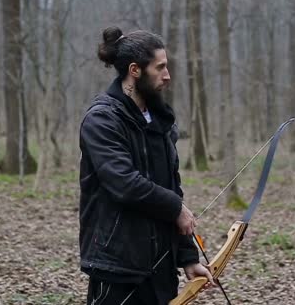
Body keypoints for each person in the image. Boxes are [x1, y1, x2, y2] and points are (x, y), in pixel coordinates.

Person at [79, 27, 214, 304]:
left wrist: (188, 257)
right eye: (160, 67)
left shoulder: (159, 119)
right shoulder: (102, 120)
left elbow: (171, 187)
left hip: (160, 267)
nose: (167, 75)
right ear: (135, 70)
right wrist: (176, 208)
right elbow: (125, 184)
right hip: (117, 266)